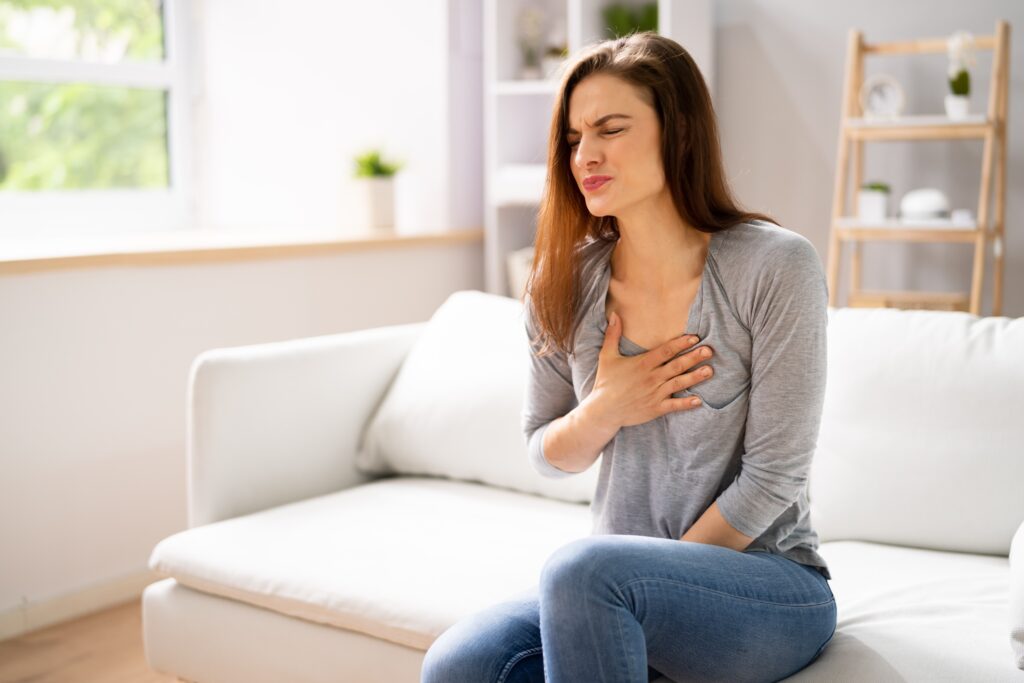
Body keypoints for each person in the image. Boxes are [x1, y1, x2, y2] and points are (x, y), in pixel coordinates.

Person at [421, 31, 836, 683]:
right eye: (573, 137)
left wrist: (654, 587)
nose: (585, 154)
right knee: (458, 663)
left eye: (610, 129)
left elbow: (775, 476)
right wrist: (607, 407)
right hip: (610, 585)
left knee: (581, 571)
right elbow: (545, 448)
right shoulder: (561, 283)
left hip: (765, 583)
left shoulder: (775, 266)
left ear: (680, 134)